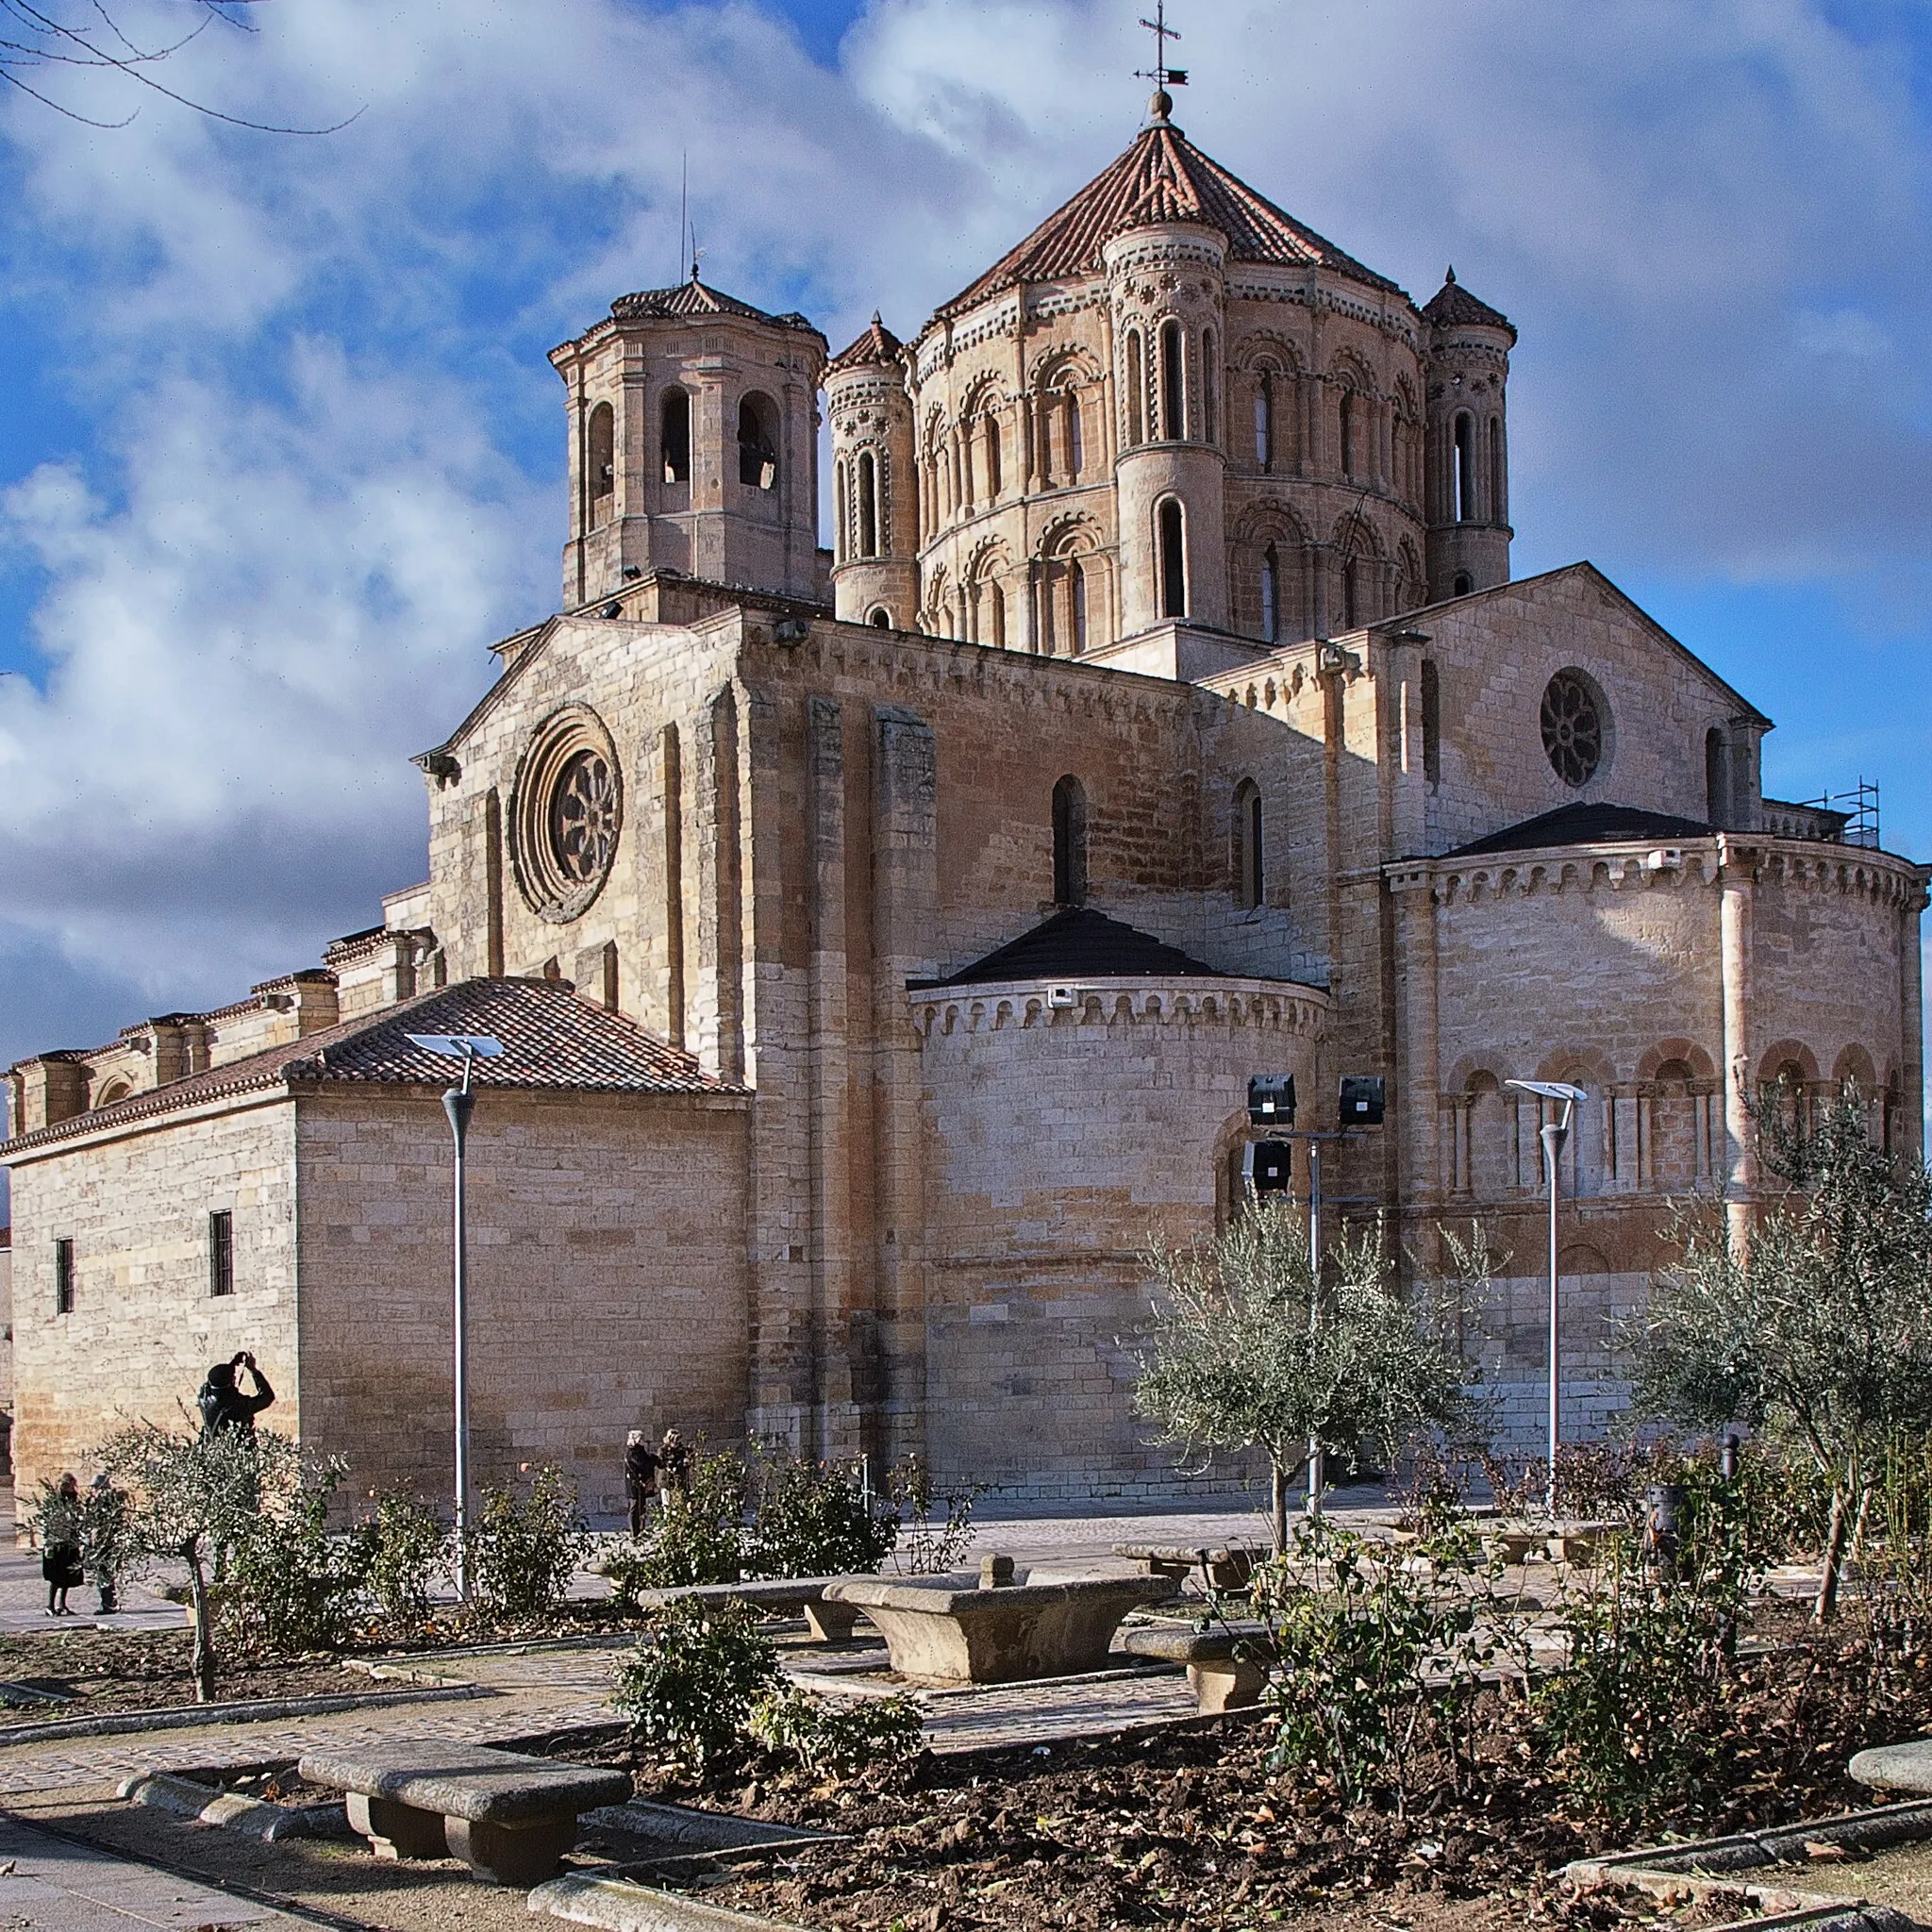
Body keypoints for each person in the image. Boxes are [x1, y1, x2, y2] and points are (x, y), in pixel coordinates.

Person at [197, 1352, 275, 1435]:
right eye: (233, 1377)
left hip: (212, 1445)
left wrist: (233, 1363)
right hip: (237, 1446)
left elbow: (216, 1378)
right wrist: (253, 1370)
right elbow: (267, 1397)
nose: (234, 1377)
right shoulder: (236, 1406)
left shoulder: (204, 1397)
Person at [41, 1472, 83, 1617]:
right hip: (57, 1543)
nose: (73, 1488)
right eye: (71, 1485)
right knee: (56, 1576)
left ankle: (62, 1604)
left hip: (70, 1542)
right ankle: (50, 1605)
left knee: (68, 1575)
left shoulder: (74, 1499)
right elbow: (51, 1521)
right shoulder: (55, 1501)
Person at [623, 1429, 660, 1537]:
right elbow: (642, 1464)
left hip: (641, 1483)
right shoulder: (632, 1452)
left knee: (642, 1506)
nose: (643, 1441)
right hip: (635, 1483)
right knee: (634, 1507)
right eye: (641, 1439)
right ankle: (635, 1531)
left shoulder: (640, 1451)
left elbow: (645, 1462)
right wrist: (652, 1460)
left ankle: (641, 1529)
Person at [658, 1428, 690, 1515]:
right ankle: (668, 1521)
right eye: (673, 1440)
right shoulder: (663, 1450)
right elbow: (660, 1463)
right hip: (666, 1479)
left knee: (679, 1502)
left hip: (678, 1479)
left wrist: (685, 1462)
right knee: (666, 1503)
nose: (676, 1443)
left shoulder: (681, 1450)